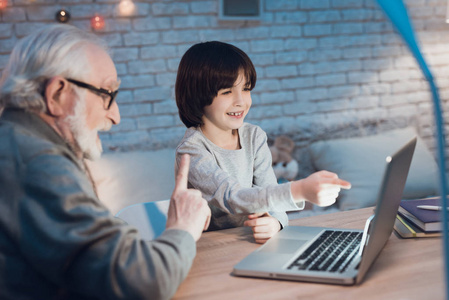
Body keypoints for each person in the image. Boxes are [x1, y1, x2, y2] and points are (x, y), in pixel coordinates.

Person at [0, 24, 211, 300]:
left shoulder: (20, 143)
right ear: (57, 95)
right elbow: (144, 281)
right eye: (107, 94)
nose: (115, 116)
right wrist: (182, 227)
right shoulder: (37, 163)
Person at [175, 41, 351, 244]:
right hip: (210, 248)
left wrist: (276, 222)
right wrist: (300, 190)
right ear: (197, 96)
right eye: (226, 92)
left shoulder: (254, 136)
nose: (241, 101)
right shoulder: (191, 150)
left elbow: (271, 195)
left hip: (248, 243)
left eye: (246, 89)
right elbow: (234, 197)